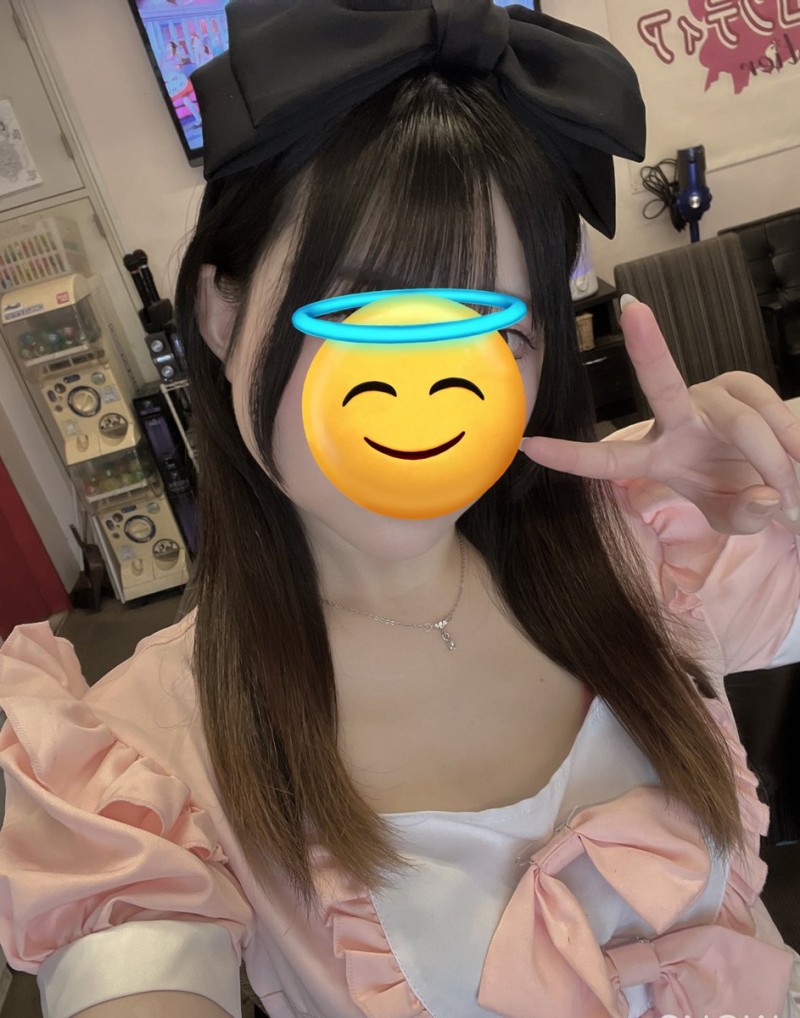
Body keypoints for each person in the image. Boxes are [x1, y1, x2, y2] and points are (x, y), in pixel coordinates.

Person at [1, 2, 799, 1016]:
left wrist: (786, 491)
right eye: (362, 314)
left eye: (490, 324)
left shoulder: (649, 542)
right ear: (220, 312)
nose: (426, 391)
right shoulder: (143, 759)